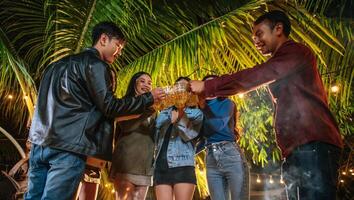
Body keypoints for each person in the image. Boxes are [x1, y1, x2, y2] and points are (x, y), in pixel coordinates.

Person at [190, 10, 343, 200]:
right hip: (297, 148)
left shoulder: (296, 52)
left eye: (259, 33)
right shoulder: (283, 61)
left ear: (278, 29)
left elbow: (257, 75)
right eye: (253, 37)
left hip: (313, 144)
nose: (255, 40)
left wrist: (207, 85)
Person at [25, 21, 165, 200]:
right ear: (104, 39)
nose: (120, 52)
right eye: (118, 46)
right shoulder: (95, 64)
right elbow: (110, 106)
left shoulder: (55, 66)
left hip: (40, 144)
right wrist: (149, 98)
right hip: (68, 148)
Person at [199, 75, 249, 200]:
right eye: (206, 85)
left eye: (212, 84)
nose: (209, 88)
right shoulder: (199, 106)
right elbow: (200, 137)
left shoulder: (227, 103)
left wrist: (200, 107)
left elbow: (216, 125)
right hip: (210, 156)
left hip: (230, 155)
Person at [154, 77, 203, 200]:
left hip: (183, 165)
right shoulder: (165, 111)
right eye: (177, 87)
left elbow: (188, 136)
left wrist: (180, 114)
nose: (180, 91)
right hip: (161, 165)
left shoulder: (196, 114)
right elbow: (156, 129)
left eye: (183, 87)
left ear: (190, 91)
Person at [110, 71, 156, 200]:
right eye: (142, 81)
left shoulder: (154, 109)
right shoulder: (126, 102)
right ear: (134, 83)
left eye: (149, 83)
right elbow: (126, 127)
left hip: (145, 165)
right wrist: (148, 110)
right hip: (126, 163)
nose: (146, 85)